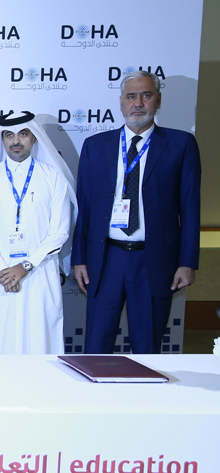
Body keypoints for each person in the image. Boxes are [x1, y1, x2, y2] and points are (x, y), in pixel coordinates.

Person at [72, 71, 201, 354]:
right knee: (96, 345)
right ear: (121, 102)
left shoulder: (181, 145)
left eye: (146, 95)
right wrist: (79, 258)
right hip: (105, 260)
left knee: (147, 347)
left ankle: (145, 398)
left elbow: (190, 209)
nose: (138, 103)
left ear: (158, 100)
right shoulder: (96, 146)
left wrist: (187, 262)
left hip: (154, 260)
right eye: (131, 96)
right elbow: (86, 208)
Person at [0, 111, 75, 354]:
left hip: (38, 273)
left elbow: (60, 232)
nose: (16, 141)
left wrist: (24, 267)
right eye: (9, 135)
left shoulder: (52, 177)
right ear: (2, 140)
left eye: (23, 134)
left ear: (34, 138)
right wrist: (4, 270)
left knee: (38, 340)